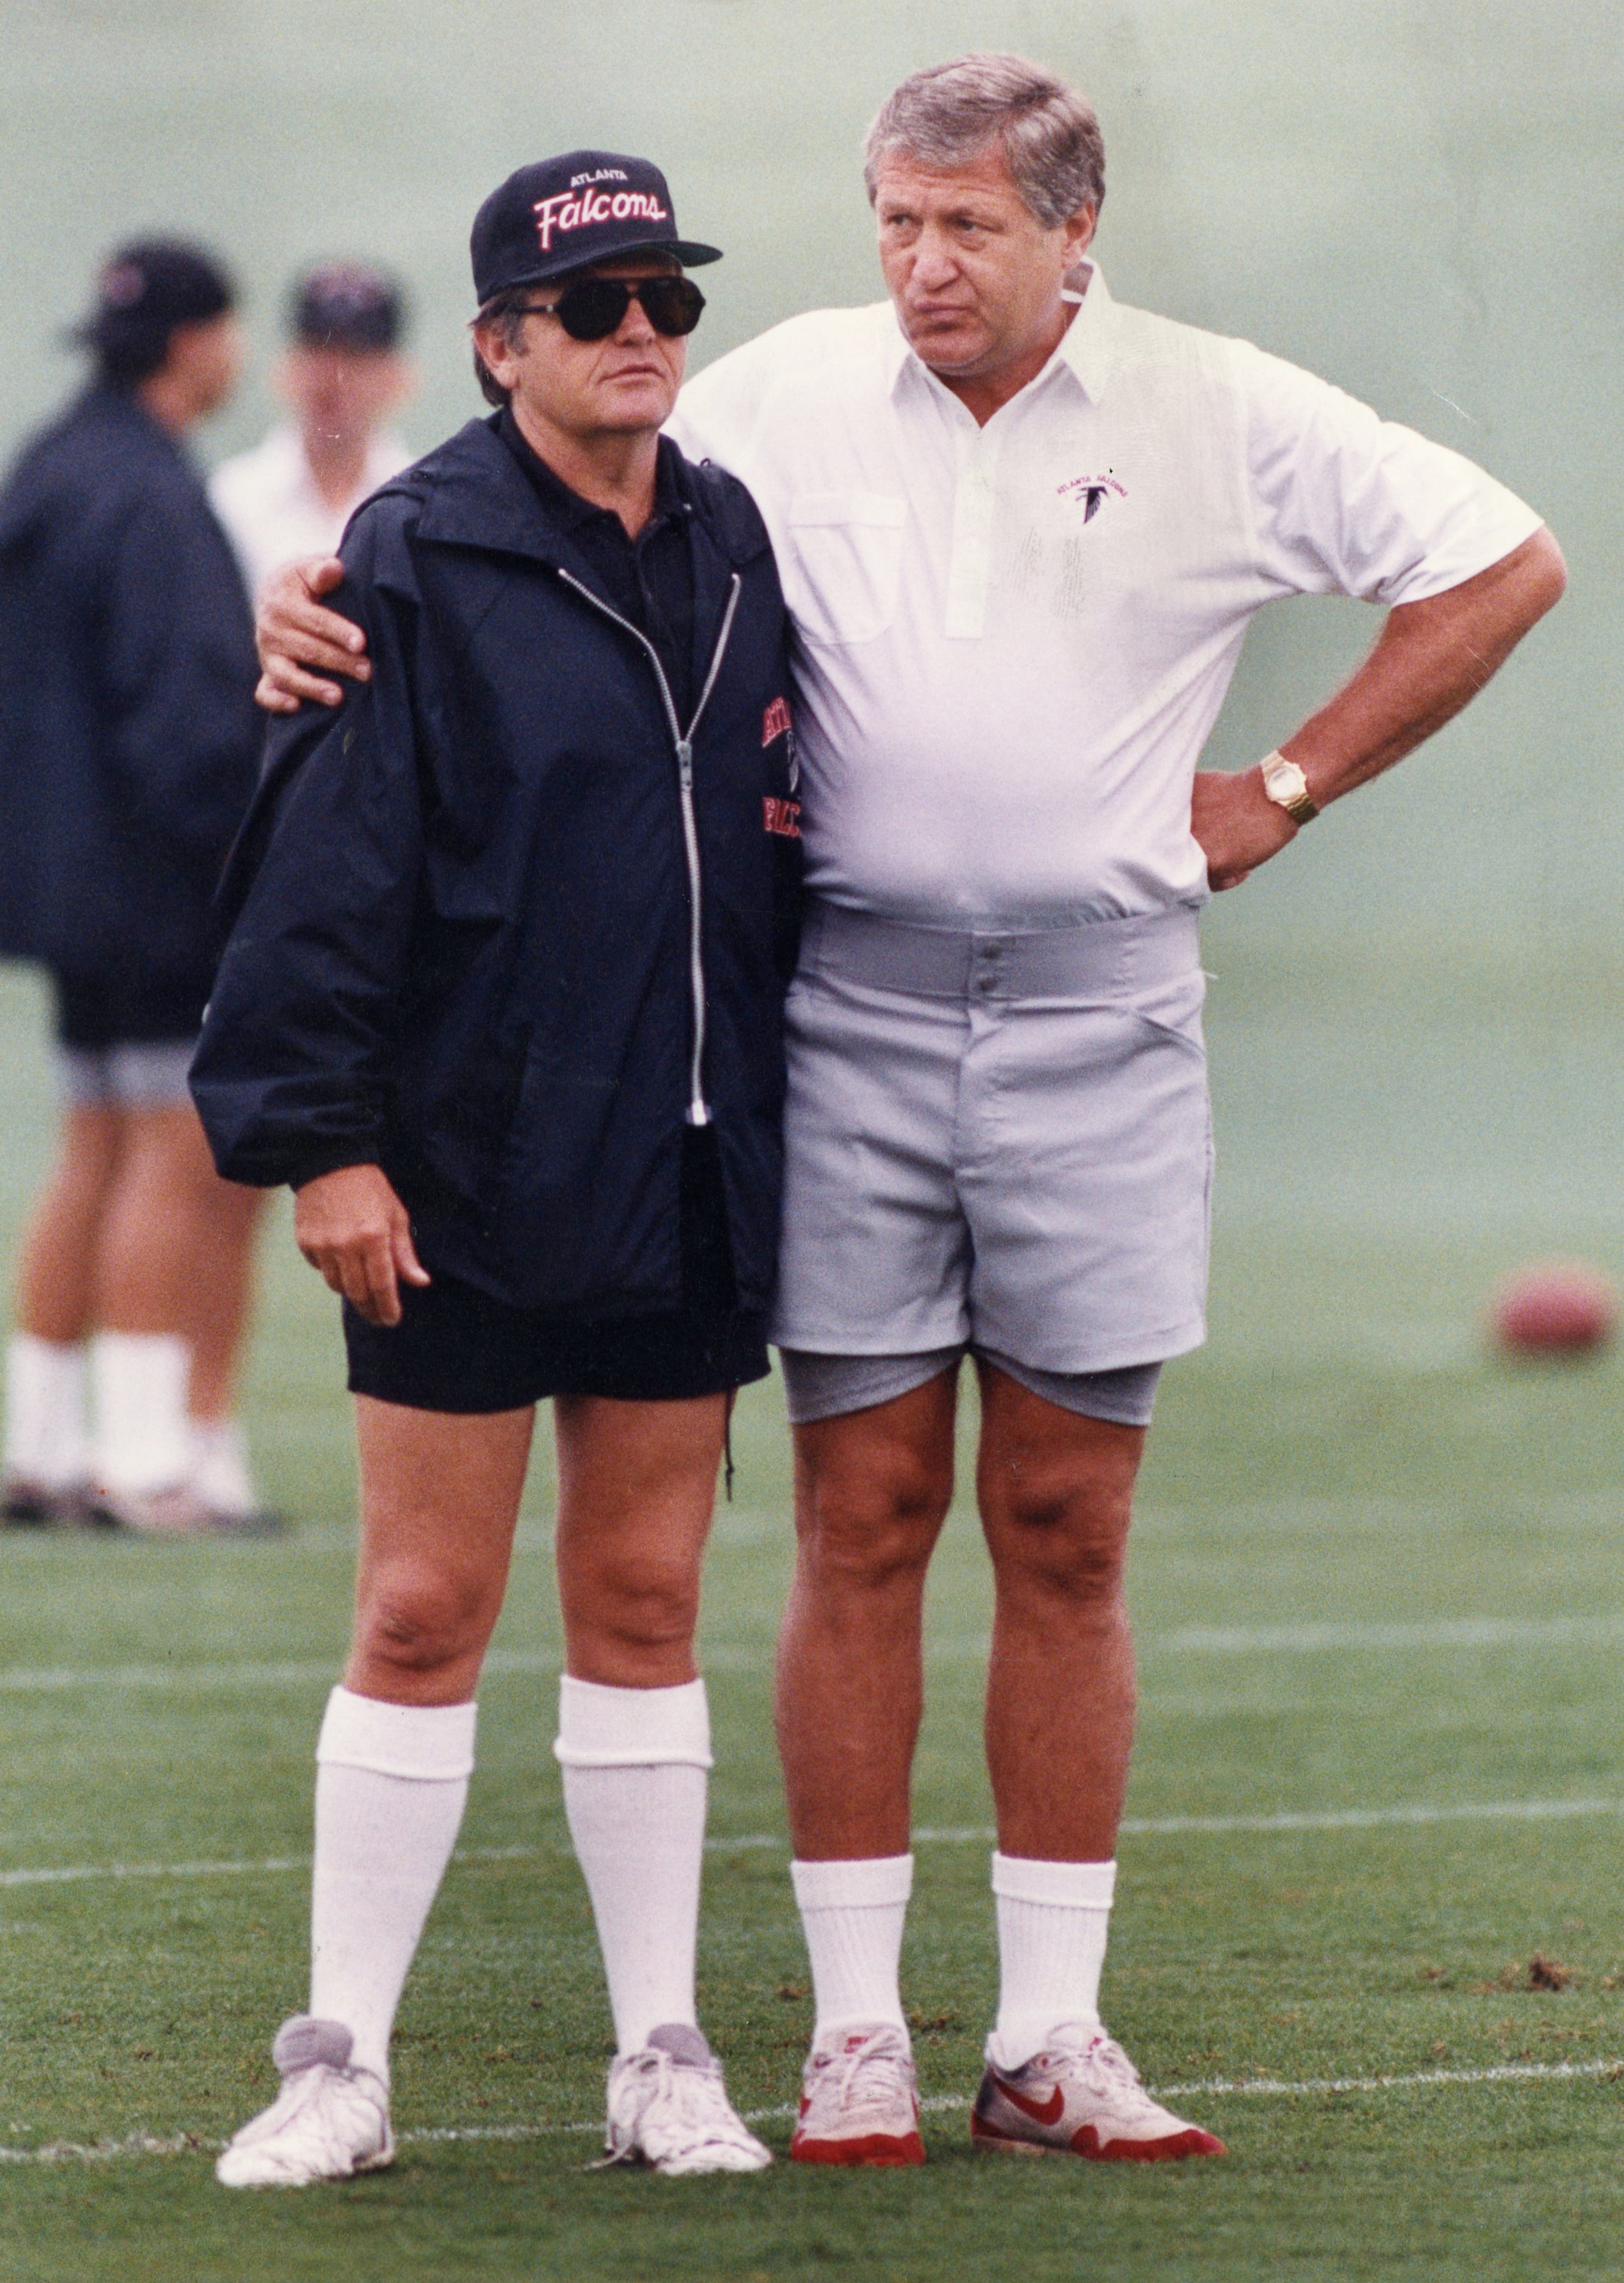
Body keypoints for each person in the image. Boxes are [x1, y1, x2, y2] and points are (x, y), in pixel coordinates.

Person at [254, 54, 1567, 2167]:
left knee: (1068, 1520)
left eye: (968, 226)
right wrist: (317, 596)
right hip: (843, 1012)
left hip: (1104, 1012)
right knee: (861, 1514)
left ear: (1073, 232)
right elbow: (516, 492)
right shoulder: (776, 389)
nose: (924, 264)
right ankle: (853, 2030)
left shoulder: (1214, 401)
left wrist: (1285, 787)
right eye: (896, 218)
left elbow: (1505, 558)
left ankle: (1049, 2032)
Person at [191, 151, 801, 2186]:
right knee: (426, 1603)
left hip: (694, 1166)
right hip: (458, 1174)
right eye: (594, 301)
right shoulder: (412, 551)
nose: (642, 329)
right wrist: (324, 1149)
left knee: (644, 1594)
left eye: (665, 297)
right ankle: (338, 2067)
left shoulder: (733, 537)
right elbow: (319, 876)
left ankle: (661, 2055)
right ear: (498, 342)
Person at [0, 239, 270, 1536]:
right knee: (176, 1148)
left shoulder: (49, 468)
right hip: (158, 883)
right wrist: (247, 860)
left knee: (95, 1143)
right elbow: (189, 723)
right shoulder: (153, 495)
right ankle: (146, 1460)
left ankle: (42, 1444)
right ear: (193, 343)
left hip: (58, 884)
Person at [211, 261, 414, 601]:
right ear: (286, 366)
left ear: (398, 377)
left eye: (356, 356)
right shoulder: (229, 501)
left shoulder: (422, 506)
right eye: (319, 351)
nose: (334, 377)